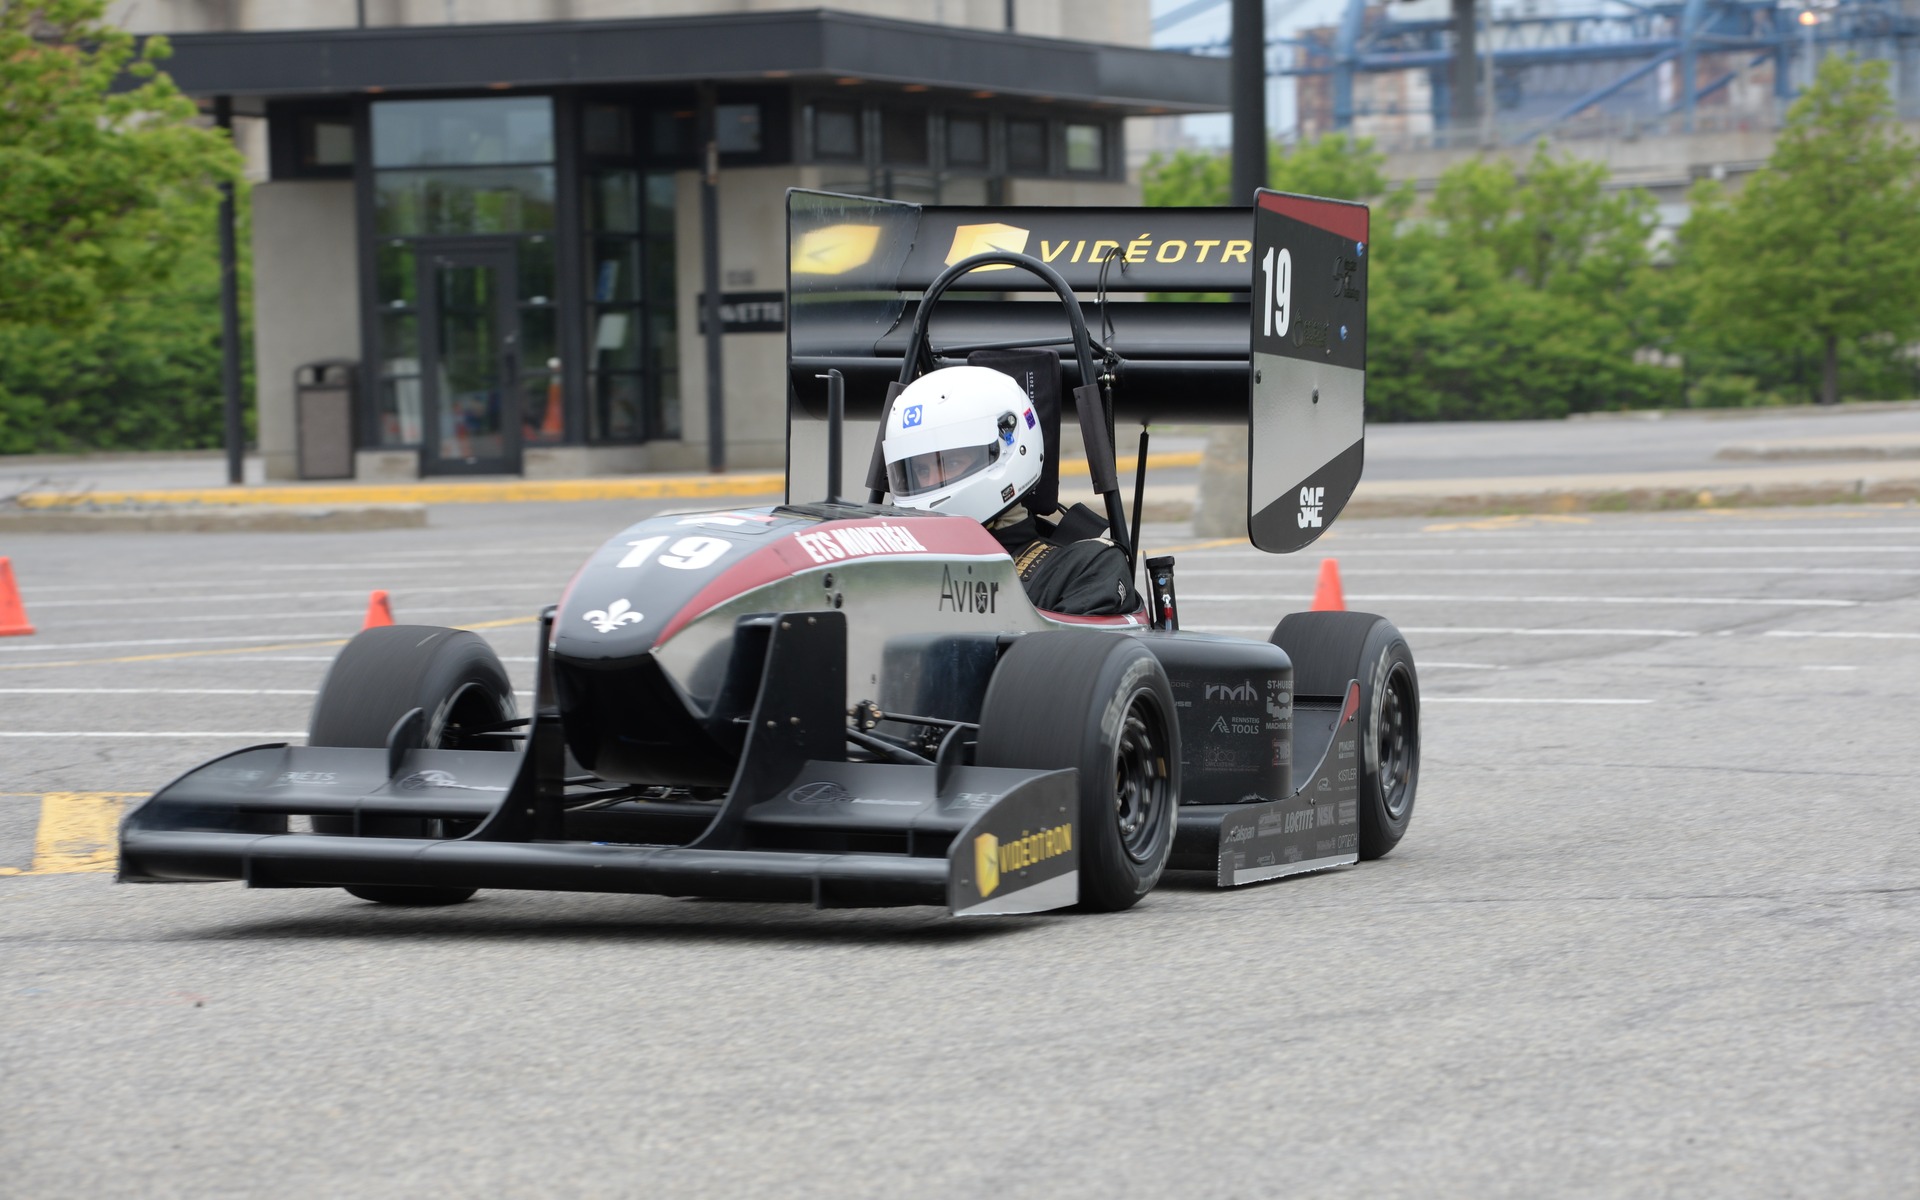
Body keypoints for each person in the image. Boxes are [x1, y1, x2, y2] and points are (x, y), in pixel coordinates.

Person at [882, 365, 1140, 616]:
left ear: (1008, 447)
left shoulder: (1085, 567)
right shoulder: (894, 564)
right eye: (922, 472)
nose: (931, 482)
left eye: (950, 464)